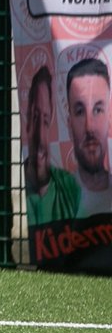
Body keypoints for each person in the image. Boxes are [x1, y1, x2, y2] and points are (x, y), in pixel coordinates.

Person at [24, 64, 81, 227]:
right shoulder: (14, 183)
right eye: (35, 118)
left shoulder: (69, 188)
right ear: (26, 123)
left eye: (46, 121)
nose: (40, 136)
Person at [64, 57, 112, 218]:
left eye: (98, 110)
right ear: (69, 125)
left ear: (109, 119)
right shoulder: (57, 201)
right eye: (80, 112)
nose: (89, 127)